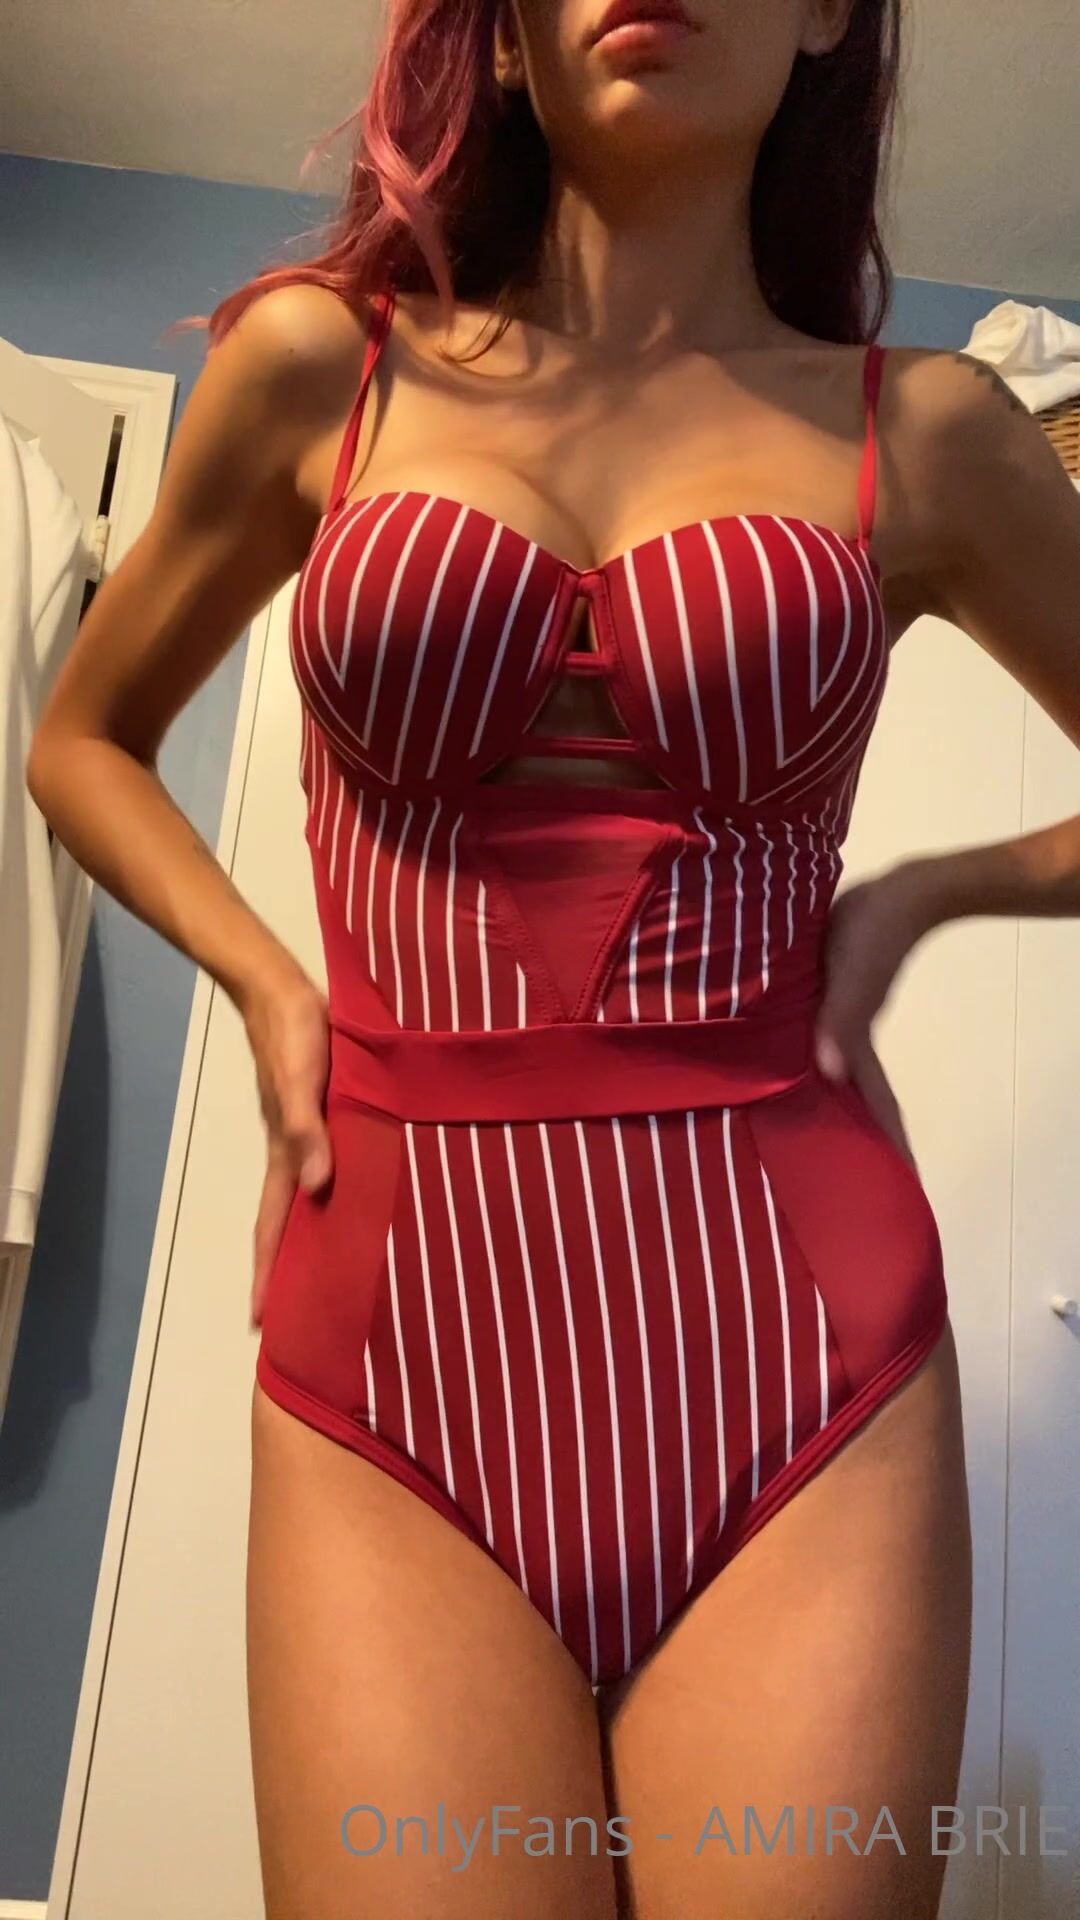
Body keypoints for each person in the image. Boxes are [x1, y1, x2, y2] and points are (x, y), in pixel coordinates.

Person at [26, 2, 1080, 1915]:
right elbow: (80, 738)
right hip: (393, 1354)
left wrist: (931, 890)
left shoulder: (924, 433)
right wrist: (267, 982)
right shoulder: (316, 370)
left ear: (826, 14)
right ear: (501, 38)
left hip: (803, 1360)